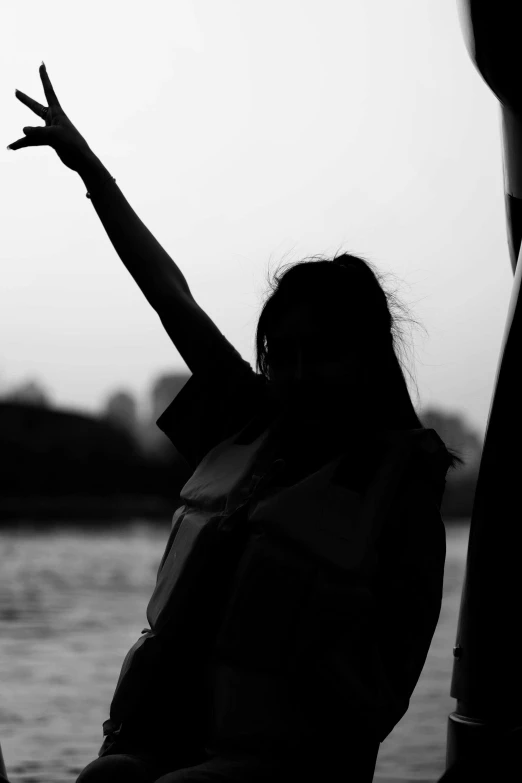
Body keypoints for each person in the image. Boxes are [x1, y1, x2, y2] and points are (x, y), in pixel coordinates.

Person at [9, 64, 462, 783]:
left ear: (368, 358)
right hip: (175, 733)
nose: (299, 373)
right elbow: (172, 299)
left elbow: (382, 682)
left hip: (288, 762)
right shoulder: (250, 421)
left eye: (324, 353)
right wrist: (91, 170)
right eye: (282, 355)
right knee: (106, 779)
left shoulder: (398, 491)